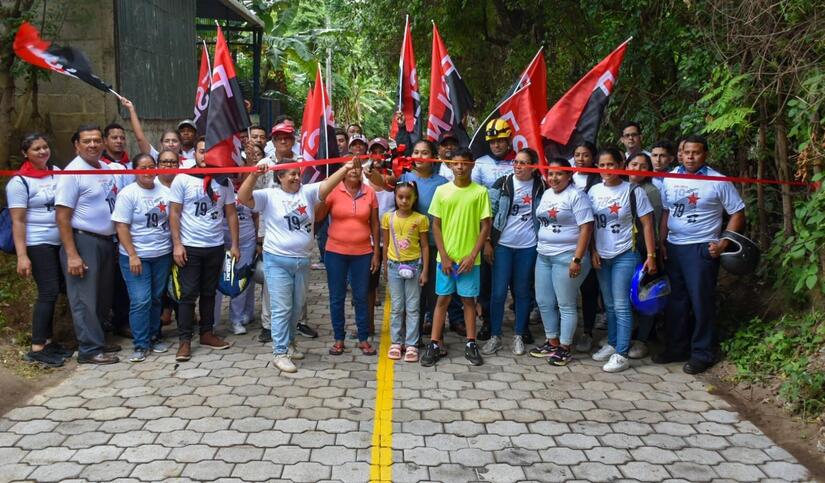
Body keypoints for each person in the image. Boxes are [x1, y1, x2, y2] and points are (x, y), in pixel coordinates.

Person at [237, 157, 357, 372]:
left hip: (302, 261)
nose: (296, 177)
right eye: (290, 173)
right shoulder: (269, 196)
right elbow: (243, 197)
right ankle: (279, 352)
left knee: (296, 307)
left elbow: (329, 183)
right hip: (277, 261)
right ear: (279, 177)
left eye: (297, 173)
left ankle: (290, 344)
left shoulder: (308, 192)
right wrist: (254, 175)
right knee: (281, 308)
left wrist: (346, 168)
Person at [657, 134, 745, 374]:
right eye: (686, 152)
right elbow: (666, 211)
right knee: (676, 300)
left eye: (696, 152)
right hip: (674, 246)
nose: (691, 157)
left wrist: (724, 242)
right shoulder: (670, 178)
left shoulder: (718, 181)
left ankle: (703, 353)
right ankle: (676, 347)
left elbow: (737, 213)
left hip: (701, 248)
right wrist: (661, 241)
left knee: (701, 302)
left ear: (705, 154)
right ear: (680, 154)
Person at [55, 124, 121, 365]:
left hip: (105, 241)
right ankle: (89, 349)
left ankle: (99, 339)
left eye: (96, 140)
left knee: (102, 296)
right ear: (76, 145)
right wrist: (72, 254)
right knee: (84, 298)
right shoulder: (71, 173)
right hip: (83, 240)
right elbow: (62, 216)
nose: (92, 145)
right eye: (86, 141)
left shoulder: (105, 167)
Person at [169, 137, 240, 362]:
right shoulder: (183, 179)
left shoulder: (224, 180)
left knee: (210, 292)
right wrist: (177, 244)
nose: (204, 156)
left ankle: (207, 333)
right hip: (190, 246)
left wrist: (235, 244)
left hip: (215, 245)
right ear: (194, 154)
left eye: (208, 152)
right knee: (188, 294)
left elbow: (230, 213)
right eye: (201, 152)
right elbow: (174, 213)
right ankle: (184, 340)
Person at [588, 147, 657, 373]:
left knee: (621, 305)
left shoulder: (634, 191)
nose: (607, 169)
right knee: (608, 305)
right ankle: (612, 343)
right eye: (602, 165)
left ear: (621, 165)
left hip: (625, 254)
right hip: (601, 255)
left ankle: (622, 353)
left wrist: (651, 255)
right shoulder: (593, 191)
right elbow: (588, 225)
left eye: (611, 164)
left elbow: (647, 224)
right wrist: (592, 251)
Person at [421, 148, 492, 367]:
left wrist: (472, 256)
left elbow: (485, 226)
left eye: (464, 163)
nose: (460, 167)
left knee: (468, 301)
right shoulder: (442, 191)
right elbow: (436, 224)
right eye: (456, 163)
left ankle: (471, 343)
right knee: (442, 299)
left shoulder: (480, 192)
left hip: (470, 262)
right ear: (450, 165)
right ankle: (434, 343)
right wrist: (443, 255)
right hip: (447, 260)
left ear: (472, 165)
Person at [8, 133, 71, 367]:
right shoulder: (19, 181)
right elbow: (18, 221)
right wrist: (22, 256)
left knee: (57, 290)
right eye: (36, 149)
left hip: (60, 240)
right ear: (26, 153)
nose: (43, 152)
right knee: (48, 291)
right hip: (37, 241)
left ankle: (48, 340)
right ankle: (37, 346)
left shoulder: (56, 171)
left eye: (45, 147)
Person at [255, 123, 319, 341]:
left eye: (287, 138)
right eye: (279, 138)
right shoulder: (264, 164)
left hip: (299, 224)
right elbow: (255, 198)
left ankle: (300, 321)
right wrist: (260, 233)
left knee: (299, 285)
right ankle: (268, 324)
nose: (283, 141)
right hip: (272, 228)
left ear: (293, 140)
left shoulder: (303, 162)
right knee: (271, 281)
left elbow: (311, 193)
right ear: (273, 141)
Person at [529, 158, 593, 366]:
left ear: (569, 175)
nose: (554, 178)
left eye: (559, 174)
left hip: (567, 256)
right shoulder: (547, 194)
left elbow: (586, 227)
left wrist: (577, 258)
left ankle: (565, 347)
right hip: (544, 255)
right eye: (551, 174)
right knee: (544, 301)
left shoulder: (577, 196)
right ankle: (552, 341)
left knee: (566, 303)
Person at [112, 153, 173, 362]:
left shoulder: (165, 192)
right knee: (140, 300)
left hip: (162, 254)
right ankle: (140, 343)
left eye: (151, 166)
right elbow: (121, 225)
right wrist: (132, 255)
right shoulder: (128, 194)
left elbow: (173, 221)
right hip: (136, 256)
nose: (148, 171)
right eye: (143, 167)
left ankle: (155, 336)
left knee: (156, 297)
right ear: (135, 170)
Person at [483, 148, 544, 356]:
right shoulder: (502, 183)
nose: (518, 166)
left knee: (522, 292)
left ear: (533, 166)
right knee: (498, 292)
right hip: (503, 245)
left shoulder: (541, 186)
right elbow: (488, 213)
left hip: (528, 246)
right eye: (516, 162)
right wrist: (488, 241)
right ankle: (495, 335)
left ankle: (518, 334)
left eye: (523, 163)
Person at [324, 157, 381, 356]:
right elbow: (319, 215)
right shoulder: (333, 191)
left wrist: (377, 253)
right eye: (349, 168)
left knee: (361, 296)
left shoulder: (370, 192)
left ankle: (363, 339)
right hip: (335, 252)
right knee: (337, 297)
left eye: (357, 168)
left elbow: (375, 224)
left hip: (363, 253)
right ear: (343, 171)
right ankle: (339, 339)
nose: (354, 171)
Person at [398, 141, 455, 336]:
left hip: (435, 244)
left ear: (433, 158)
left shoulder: (443, 183)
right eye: (416, 152)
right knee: (414, 292)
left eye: (425, 153)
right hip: (410, 247)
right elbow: (383, 182)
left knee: (434, 289)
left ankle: (435, 332)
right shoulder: (404, 177)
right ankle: (413, 333)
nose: (420, 156)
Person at [470, 118, 516, 341]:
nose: (497, 145)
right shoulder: (480, 163)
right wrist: (486, 236)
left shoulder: (519, 162)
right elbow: (478, 200)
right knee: (486, 279)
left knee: (517, 281)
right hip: (488, 227)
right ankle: (487, 321)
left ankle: (520, 324)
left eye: (501, 141)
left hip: (516, 229)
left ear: (509, 140)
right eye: (493, 141)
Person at [214, 143, 261, 335]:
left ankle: (237, 319)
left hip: (246, 241)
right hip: (220, 241)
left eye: (239, 168)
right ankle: (212, 322)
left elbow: (256, 216)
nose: (235, 174)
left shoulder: (249, 191)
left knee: (241, 280)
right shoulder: (219, 187)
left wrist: (258, 242)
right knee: (216, 283)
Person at [382, 181, 429, 362]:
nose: (404, 201)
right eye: (400, 197)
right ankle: (396, 342)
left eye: (408, 197)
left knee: (413, 307)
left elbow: (425, 246)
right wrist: (385, 266)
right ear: (395, 197)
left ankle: (411, 344)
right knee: (397, 307)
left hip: (414, 267)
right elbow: (386, 244)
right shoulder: (388, 218)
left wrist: (425, 270)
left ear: (414, 198)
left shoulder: (420, 219)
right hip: (394, 266)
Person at [626, 152, 664, 359]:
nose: (637, 170)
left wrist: (653, 253)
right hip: (623, 249)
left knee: (645, 294)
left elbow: (654, 225)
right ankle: (627, 335)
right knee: (626, 296)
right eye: (633, 164)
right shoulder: (620, 187)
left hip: (644, 249)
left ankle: (642, 339)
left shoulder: (651, 191)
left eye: (643, 166)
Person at [571, 141, 604, 352]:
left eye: (585, 155)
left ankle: (587, 331)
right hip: (565, 242)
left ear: (593, 158)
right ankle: (565, 333)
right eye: (577, 154)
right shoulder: (565, 177)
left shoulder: (600, 180)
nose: (581, 159)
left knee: (589, 290)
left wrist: (592, 249)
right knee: (565, 291)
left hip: (592, 240)